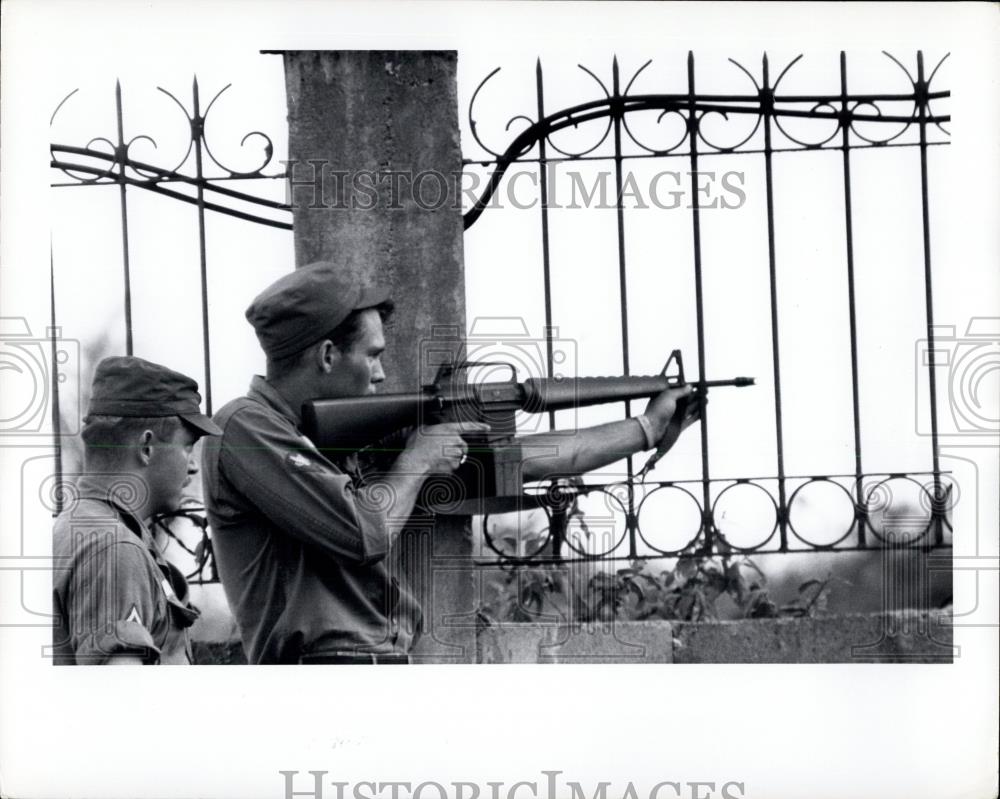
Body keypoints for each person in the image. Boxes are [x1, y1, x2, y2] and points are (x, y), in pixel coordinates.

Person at [202, 261, 698, 665]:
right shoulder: (246, 430)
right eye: (372, 356)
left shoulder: (334, 437)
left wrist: (645, 429)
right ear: (328, 355)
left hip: (376, 666)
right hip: (323, 677)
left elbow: (523, 460)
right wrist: (417, 461)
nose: (381, 374)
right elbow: (363, 532)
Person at [52, 356, 223, 665]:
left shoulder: (74, 527)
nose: (194, 466)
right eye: (188, 446)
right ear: (147, 447)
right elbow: (122, 703)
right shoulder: (114, 548)